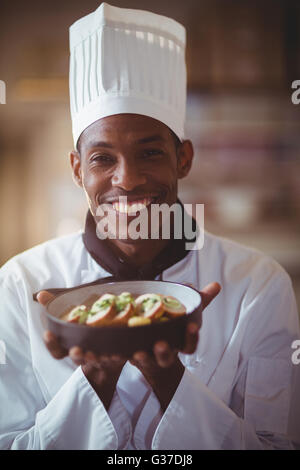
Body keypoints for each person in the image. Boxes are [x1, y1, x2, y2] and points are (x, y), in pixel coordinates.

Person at [0, 3, 299, 450]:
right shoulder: (18, 284)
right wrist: (95, 380)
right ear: (78, 170)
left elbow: (278, 446)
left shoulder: (256, 285)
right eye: (103, 159)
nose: (129, 179)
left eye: (151, 152)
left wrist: (170, 378)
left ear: (184, 158)